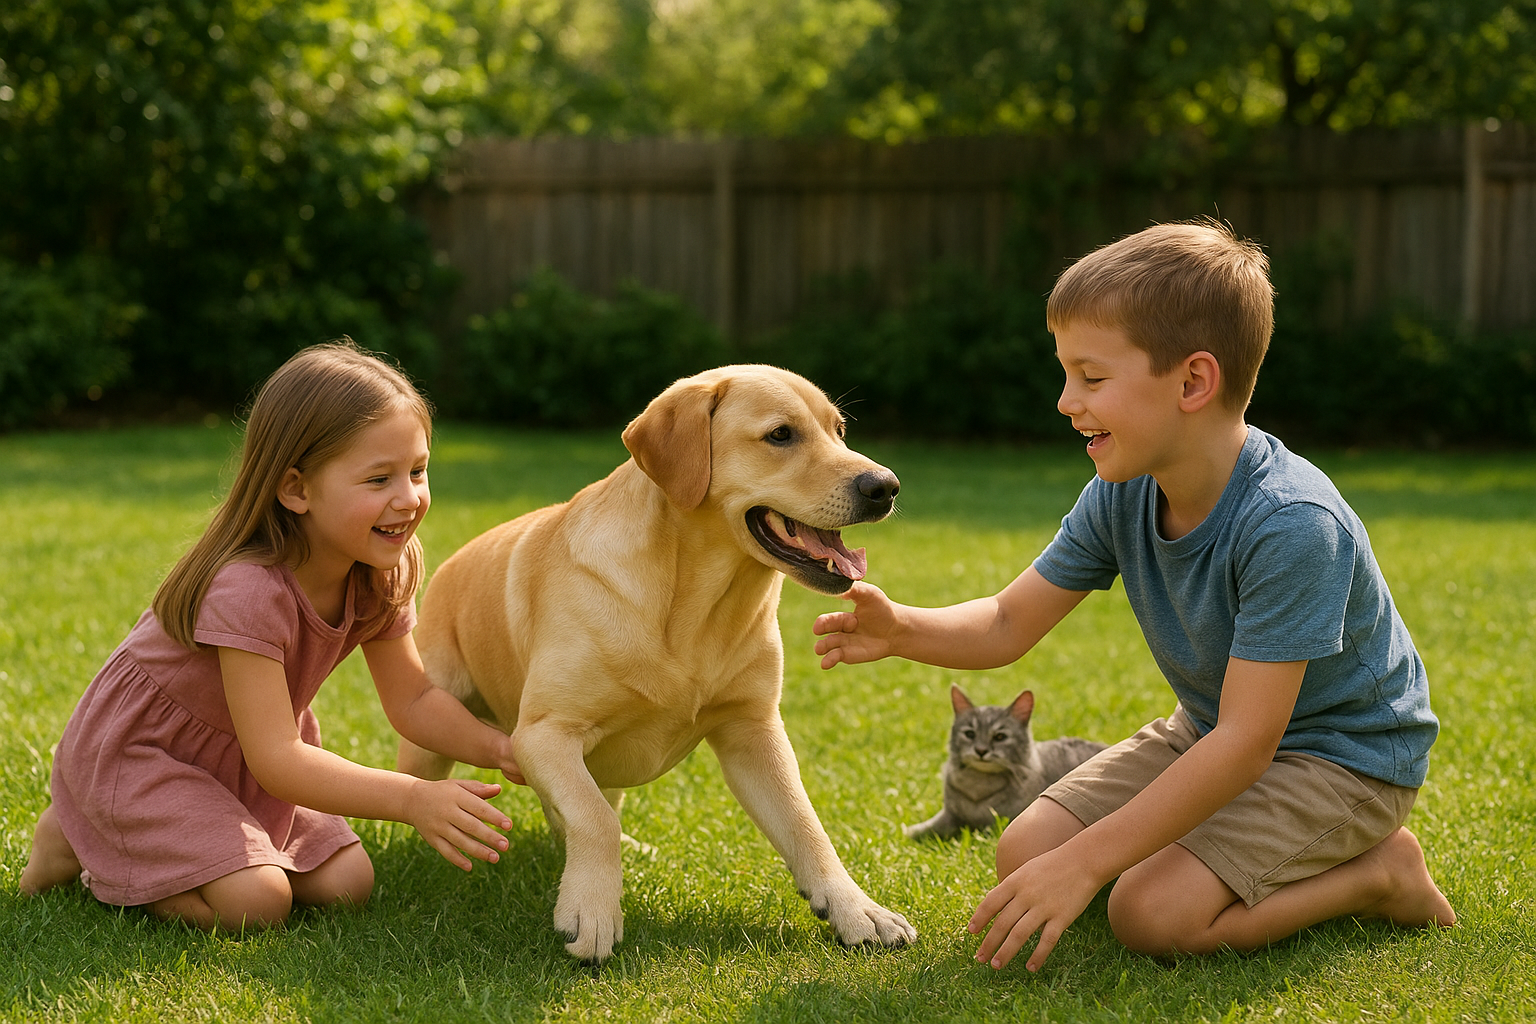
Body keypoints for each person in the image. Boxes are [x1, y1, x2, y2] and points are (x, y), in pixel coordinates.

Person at [813, 220, 1455, 972]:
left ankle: (1381, 875)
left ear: (1192, 382)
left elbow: (1249, 745)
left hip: (1340, 758)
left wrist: (1090, 864)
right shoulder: (1122, 492)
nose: (1063, 400)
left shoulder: (1291, 524)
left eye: (1090, 377)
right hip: (1212, 729)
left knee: (1149, 915)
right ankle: (1213, 852)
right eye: (1065, 374)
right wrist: (904, 629)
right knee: (1025, 849)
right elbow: (1009, 619)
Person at [20, 341, 523, 932]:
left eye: (417, 470)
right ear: (296, 490)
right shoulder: (250, 590)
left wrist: (503, 750)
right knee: (259, 904)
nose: (408, 498)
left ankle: (154, 841)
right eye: (378, 478)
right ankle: (83, 841)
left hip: (246, 753)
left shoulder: (382, 570)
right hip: (146, 755)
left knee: (347, 886)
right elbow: (279, 758)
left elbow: (412, 699)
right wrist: (412, 798)